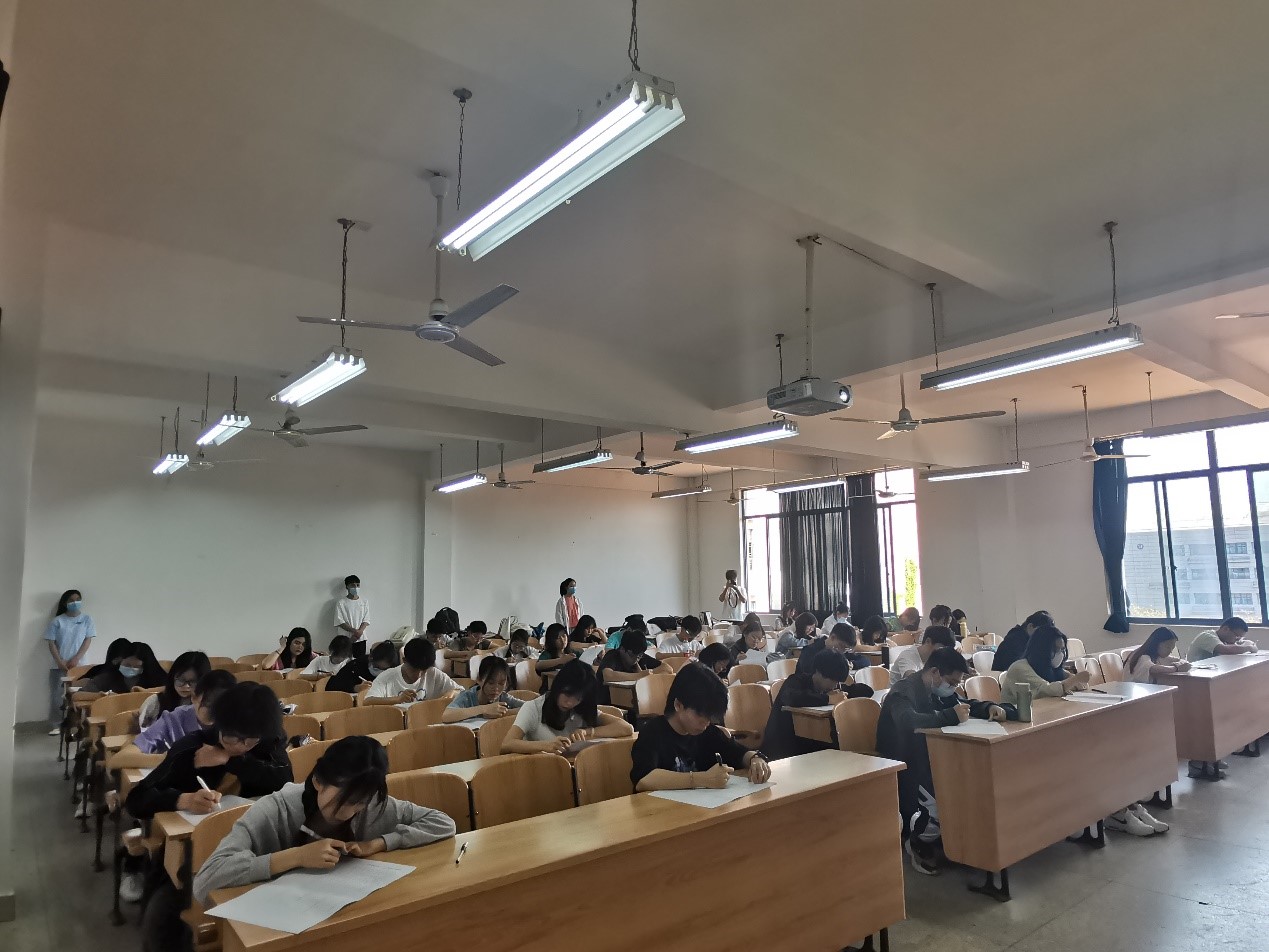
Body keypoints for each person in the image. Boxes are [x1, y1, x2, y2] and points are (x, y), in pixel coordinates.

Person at [193, 735, 455, 905]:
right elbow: (206, 880)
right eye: (345, 800)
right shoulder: (275, 809)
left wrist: (379, 843)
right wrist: (296, 857)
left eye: (360, 802)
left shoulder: (373, 804)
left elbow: (443, 823)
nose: (350, 812)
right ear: (318, 781)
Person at [876, 648, 1006, 875]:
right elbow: (907, 721)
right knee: (939, 805)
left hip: (932, 754)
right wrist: (949, 716)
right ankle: (916, 841)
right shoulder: (903, 691)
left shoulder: (937, 690)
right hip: (905, 761)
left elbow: (961, 703)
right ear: (935, 672)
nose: (953, 687)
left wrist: (989, 707)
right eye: (951, 682)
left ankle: (956, 843)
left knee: (969, 789)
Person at [126, 681, 292, 819]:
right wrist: (184, 800)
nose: (241, 746)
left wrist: (231, 760)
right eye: (232, 738)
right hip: (194, 837)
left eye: (250, 741)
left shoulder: (267, 739)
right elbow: (136, 799)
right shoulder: (192, 747)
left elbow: (285, 780)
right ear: (218, 724)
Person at [630, 662, 772, 791]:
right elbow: (643, 780)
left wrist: (755, 759)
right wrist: (701, 779)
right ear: (678, 705)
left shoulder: (708, 732)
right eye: (700, 715)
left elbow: (738, 753)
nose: (706, 723)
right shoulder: (653, 732)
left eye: (710, 717)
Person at [502, 660, 633, 753]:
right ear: (558, 687)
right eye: (567, 694)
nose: (570, 703)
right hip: (540, 769)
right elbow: (507, 744)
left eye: (578, 698)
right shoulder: (533, 708)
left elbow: (626, 728)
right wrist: (545, 746)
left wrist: (588, 732)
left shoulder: (581, 708)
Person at [762, 650, 850, 760]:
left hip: (809, 743)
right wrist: (828, 699)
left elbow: (862, 690)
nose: (835, 685)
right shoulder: (795, 681)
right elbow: (792, 698)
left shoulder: (829, 688)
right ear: (818, 672)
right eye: (832, 680)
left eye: (837, 681)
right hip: (783, 745)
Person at [135, 669, 237, 754]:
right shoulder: (174, 720)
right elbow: (129, 753)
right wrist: (169, 760)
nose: (216, 712)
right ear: (194, 697)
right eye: (209, 705)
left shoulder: (236, 722)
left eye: (223, 707)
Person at [45, 589, 96, 733]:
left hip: (80, 666)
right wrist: (60, 662)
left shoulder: (87, 619)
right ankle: (56, 725)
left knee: (79, 694)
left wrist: (76, 658)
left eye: (77, 599)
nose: (75, 603)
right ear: (65, 603)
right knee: (57, 696)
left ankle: (77, 724)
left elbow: (87, 640)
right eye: (71, 600)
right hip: (59, 665)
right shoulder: (57, 621)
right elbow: (51, 643)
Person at [1000, 624, 1089, 706]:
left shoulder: (1051, 668)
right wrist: (1074, 680)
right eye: (1055, 650)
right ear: (1041, 650)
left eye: (1062, 649)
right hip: (1018, 716)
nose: (1060, 654)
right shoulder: (1019, 668)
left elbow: (1079, 684)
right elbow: (1044, 691)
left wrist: (1076, 681)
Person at [364, 638, 458, 705]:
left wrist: (451, 693)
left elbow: (460, 691)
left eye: (424, 671)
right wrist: (397, 699)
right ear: (404, 660)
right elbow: (367, 701)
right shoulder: (387, 677)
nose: (419, 675)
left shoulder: (433, 673)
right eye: (414, 670)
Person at [138, 651, 211, 730]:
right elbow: (141, 731)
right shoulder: (156, 702)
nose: (186, 686)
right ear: (172, 677)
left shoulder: (209, 707)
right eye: (181, 680)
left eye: (193, 682)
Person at [443, 655, 525, 722]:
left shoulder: (503, 698)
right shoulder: (467, 697)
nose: (496, 689)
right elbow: (446, 715)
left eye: (501, 683)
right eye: (491, 683)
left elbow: (529, 707)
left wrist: (503, 712)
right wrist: (484, 709)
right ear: (479, 679)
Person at [596, 628, 666, 704]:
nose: (637, 659)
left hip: (630, 701)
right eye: (632, 655)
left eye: (639, 656)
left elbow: (667, 668)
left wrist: (650, 673)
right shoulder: (612, 655)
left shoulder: (639, 656)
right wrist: (640, 676)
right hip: (606, 703)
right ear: (622, 649)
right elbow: (608, 675)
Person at [75, 640, 165, 695]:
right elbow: (79, 695)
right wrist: (103, 696)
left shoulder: (156, 679)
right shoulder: (108, 677)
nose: (131, 669)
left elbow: (166, 691)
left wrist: (144, 692)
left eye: (137, 667)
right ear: (120, 662)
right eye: (127, 665)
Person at [797, 622, 870, 675]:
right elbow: (809, 673)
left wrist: (853, 665)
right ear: (832, 637)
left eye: (847, 649)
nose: (842, 650)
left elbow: (866, 661)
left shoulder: (842, 651)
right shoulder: (810, 651)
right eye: (842, 646)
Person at [325, 640, 397, 693]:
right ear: (371, 658)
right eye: (377, 667)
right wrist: (354, 688)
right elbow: (332, 685)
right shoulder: (356, 665)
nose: (380, 671)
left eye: (384, 669)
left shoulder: (393, 670)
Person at [890, 626, 958, 681]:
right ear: (928, 641)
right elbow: (913, 680)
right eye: (942, 648)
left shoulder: (935, 658)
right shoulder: (907, 656)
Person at [1126, 627, 1192, 683]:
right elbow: (1153, 669)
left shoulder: (1158, 655)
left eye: (1172, 648)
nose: (1171, 651)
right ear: (1156, 644)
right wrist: (1176, 668)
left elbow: (1181, 661)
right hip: (1131, 692)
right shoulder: (1142, 656)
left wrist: (1182, 664)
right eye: (1168, 647)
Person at [1187, 616, 1256, 661]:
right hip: (1195, 674)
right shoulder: (1207, 636)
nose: (1237, 639)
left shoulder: (1224, 639)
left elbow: (1235, 646)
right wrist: (1249, 647)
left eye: (1240, 637)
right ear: (1226, 629)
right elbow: (1226, 650)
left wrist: (1246, 643)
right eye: (1237, 636)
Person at [334, 574, 370, 643]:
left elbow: (366, 619)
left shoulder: (364, 602)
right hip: (346, 638)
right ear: (347, 587)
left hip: (361, 638)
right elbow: (339, 621)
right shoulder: (341, 602)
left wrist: (359, 632)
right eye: (353, 585)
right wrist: (354, 631)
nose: (356, 587)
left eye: (358, 585)